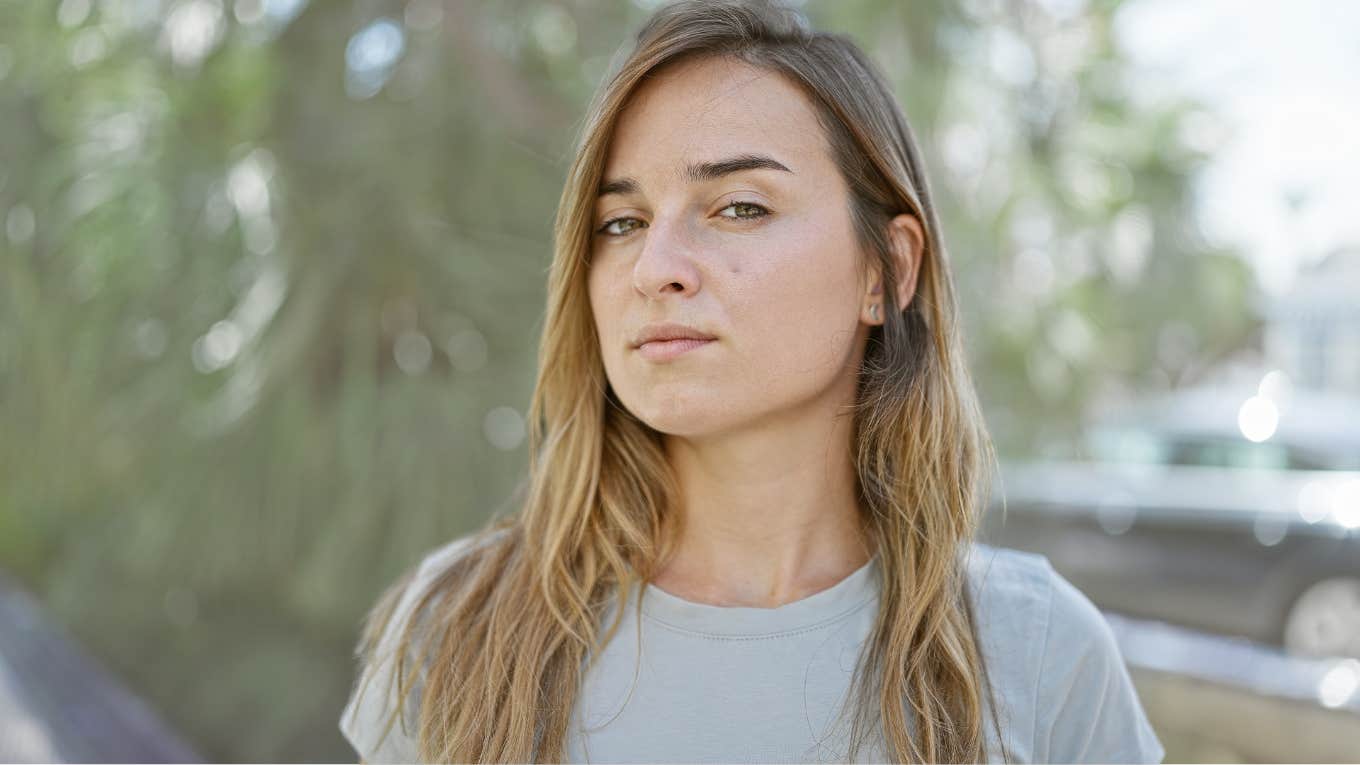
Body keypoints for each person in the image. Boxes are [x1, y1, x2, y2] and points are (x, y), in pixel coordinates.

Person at [339, 0, 1165, 762]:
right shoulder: (457, 627)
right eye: (620, 223)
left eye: (740, 207)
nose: (654, 268)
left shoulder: (1041, 654)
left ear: (887, 269)